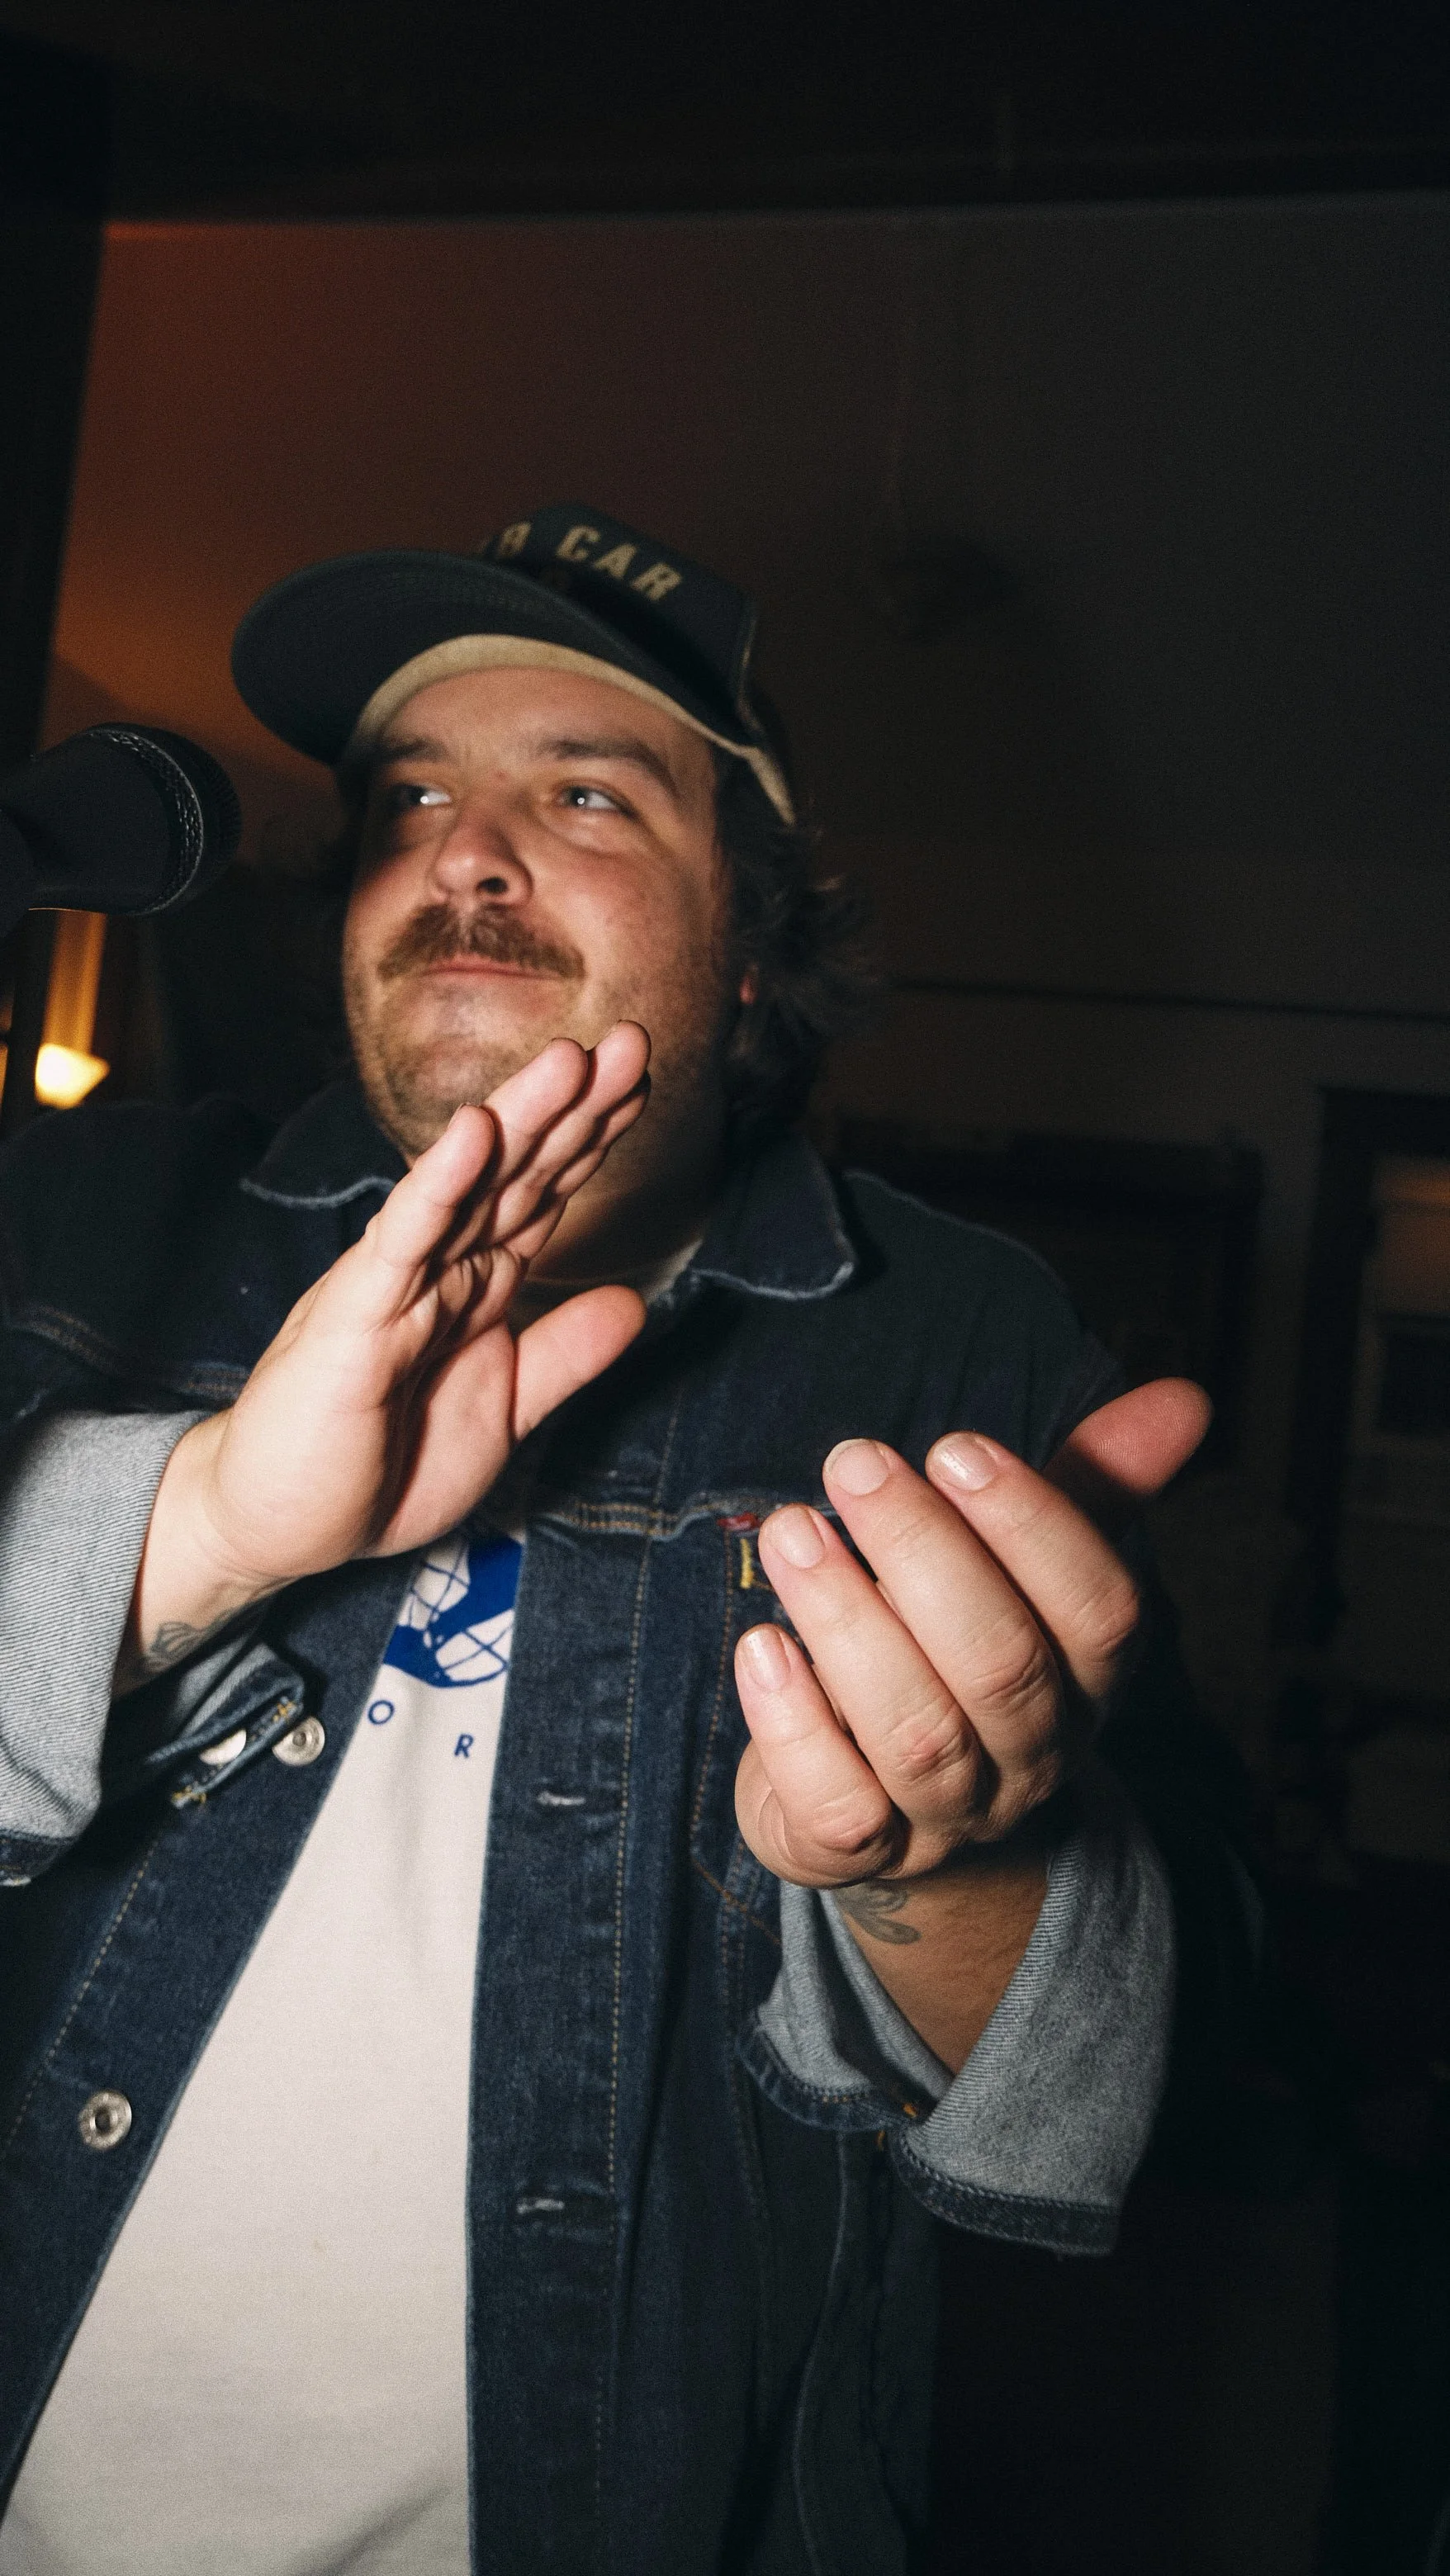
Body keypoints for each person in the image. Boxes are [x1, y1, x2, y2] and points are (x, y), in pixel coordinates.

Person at [0, 505, 1253, 2574]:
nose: (461, 857)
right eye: (411, 798)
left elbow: (1186, 2076)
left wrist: (965, 1862)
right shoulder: (74, 1220)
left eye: (582, 793)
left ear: (749, 943)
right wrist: (183, 1531)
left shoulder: (961, 1341)